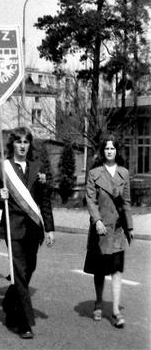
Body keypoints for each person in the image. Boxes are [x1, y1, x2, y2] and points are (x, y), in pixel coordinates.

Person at [0, 127, 54, 339]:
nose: (22, 145)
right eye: (18, 141)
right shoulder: (4, 167)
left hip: (34, 228)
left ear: (30, 145)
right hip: (14, 227)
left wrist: (49, 228)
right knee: (19, 272)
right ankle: (24, 322)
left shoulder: (38, 168)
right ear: (13, 144)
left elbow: (44, 201)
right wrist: (1, 197)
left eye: (25, 142)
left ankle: (10, 301)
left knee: (29, 270)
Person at [83, 134, 133, 328]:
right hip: (101, 229)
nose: (110, 151)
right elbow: (90, 200)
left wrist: (129, 226)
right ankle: (98, 301)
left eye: (112, 148)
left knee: (117, 270)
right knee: (99, 270)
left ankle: (115, 311)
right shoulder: (94, 174)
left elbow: (126, 202)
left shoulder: (124, 173)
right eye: (106, 148)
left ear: (117, 151)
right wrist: (96, 220)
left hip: (118, 229)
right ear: (102, 151)